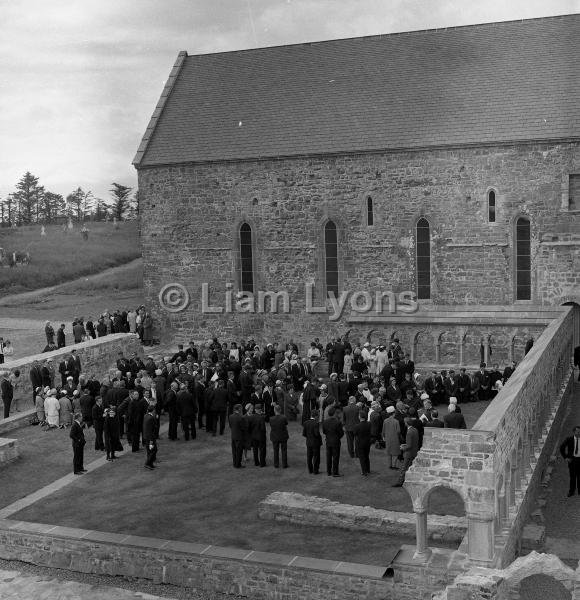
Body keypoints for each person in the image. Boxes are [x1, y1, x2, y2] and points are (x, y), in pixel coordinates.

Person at [393, 416, 419, 487]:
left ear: (407, 423)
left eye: (405, 422)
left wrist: (402, 448)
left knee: (404, 468)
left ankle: (400, 482)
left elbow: (409, 445)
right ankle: (410, 480)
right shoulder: (415, 430)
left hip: (409, 453)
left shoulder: (409, 432)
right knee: (411, 468)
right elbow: (413, 442)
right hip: (414, 452)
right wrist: (405, 444)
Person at [322, 406, 344, 477]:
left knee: (328, 456)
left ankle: (328, 471)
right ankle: (335, 472)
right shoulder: (338, 422)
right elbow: (341, 433)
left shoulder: (325, 422)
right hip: (336, 441)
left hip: (328, 441)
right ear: (334, 413)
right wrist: (337, 437)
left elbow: (324, 431)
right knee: (335, 457)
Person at [560, 426, 580, 497]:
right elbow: (562, 447)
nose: (579, 433)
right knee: (573, 477)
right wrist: (565, 457)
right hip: (572, 460)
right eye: (577, 431)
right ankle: (571, 491)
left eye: (579, 432)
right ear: (574, 432)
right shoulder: (569, 439)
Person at [302, 408, 322, 474]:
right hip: (315, 443)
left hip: (309, 442)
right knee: (316, 457)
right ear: (316, 416)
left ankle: (310, 470)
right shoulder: (316, 424)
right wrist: (319, 437)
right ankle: (315, 471)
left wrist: (309, 437)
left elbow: (304, 434)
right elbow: (316, 434)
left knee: (309, 457)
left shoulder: (306, 423)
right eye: (318, 416)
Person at [269, 403, 289, 468]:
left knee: (276, 451)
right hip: (283, 436)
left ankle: (276, 464)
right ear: (280, 410)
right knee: (284, 450)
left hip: (274, 436)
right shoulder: (284, 417)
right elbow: (286, 424)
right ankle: (284, 464)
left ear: (274, 410)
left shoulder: (271, 419)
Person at [353, 410, 372, 476]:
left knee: (362, 457)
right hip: (367, 442)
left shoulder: (357, 426)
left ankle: (364, 471)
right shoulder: (369, 424)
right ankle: (368, 469)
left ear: (360, 417)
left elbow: (355, 433)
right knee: (366, 456)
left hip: (360, 443)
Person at [229, 404, 247, 468]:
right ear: (239, 409)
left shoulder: (230, 416)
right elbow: (243, 428)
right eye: (241, 408)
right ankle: (238, 465)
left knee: (234, 451)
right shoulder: (241, 417)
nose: (242, 410)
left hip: (233, 435)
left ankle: (234, 464)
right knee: (239, 451)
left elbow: (230, 426)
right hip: (239, 436)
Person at [143, 405, 158, 470]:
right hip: (150, 438)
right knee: (153, 450)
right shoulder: (151, 418)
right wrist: (151, 440)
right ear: (153, 410)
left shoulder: (146, 416)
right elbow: (152, 428)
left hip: (146, 437)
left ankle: (151, 464)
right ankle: (147, 463)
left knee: (150, 451)